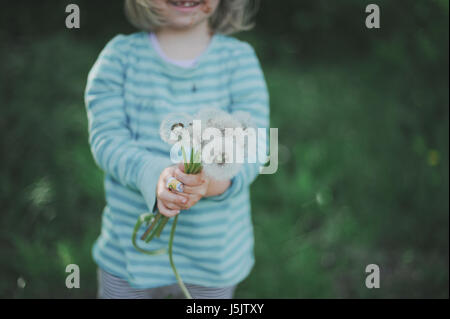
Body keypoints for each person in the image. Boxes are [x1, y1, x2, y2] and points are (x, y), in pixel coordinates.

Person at [85, 0, 269, 299]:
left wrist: (213, 180)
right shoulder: (118, 58)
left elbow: (258, 145)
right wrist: (155, 175)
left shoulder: (239, 60)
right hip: (128, 257)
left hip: (213, 260)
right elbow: (107, 140)